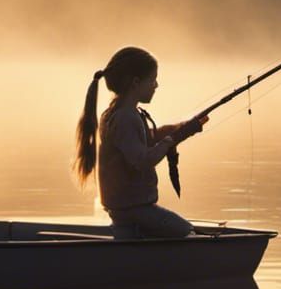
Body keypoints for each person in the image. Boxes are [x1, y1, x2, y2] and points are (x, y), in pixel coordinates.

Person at [74, 47, 206, 239]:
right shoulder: (126, 118)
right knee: (187, 232)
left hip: (126, 209)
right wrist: (169, 141)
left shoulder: (117, 114)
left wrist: (186, 127)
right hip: (134, 209)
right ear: (136, 83)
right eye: (152, 80)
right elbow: (142, 160)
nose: (156, 85)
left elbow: (149, 137)